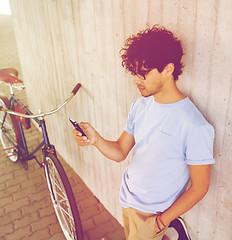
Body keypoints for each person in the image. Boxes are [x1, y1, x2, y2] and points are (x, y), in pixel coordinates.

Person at [72, 25, 215, 240]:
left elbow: (200, 187)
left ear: (168, 69)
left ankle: (173, 228)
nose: (135, 81)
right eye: (134, 74)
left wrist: (162, 220)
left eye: (142, 74)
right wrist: (95, 139)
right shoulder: (140, 106)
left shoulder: (195, 126)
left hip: (153, 214)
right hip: (127, 198)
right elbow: (120, 151)